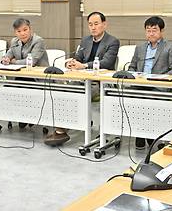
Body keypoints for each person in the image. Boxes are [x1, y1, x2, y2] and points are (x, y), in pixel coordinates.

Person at [46, 12, 121, 146]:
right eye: (90, 24)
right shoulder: (85, 40)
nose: (93, 27)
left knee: (76, 95)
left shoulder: (113, 41)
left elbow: (107, 62)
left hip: (100, 83)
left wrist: (84, 65)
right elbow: (78, 56)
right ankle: (63, 127)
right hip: (82, 80)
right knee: (63, 92)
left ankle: (61, 130)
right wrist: (71, 62)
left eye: (96, 24)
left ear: (104, 24)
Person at [128, 16, 172, 149]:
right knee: (133, 99)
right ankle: (140, 134)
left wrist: (161, 78)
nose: (151, 33)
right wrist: (135, 75)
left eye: (154, 30)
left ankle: (149, 134)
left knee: (149, 100)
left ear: (161, 31)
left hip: (159, 86)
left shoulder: (170, 47)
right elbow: (132, 67)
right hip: (140, 85)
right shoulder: (140, 48)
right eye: (148, 30)